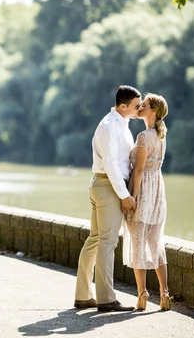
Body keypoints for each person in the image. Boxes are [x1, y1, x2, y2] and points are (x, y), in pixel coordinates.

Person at [74, 85, 142, 311]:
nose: (139, 109)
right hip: (108, 186)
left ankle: (83, 296)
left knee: (95, 239)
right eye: (135, 106)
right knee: (107, 242)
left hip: (104, 185)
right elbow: (112, 165)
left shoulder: (122, 125)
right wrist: (124, 195)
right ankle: (106, 299)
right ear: (122, 106)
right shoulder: (108, 126)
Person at [123, 93, 171, 311]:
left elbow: (140, 169)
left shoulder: (143, 137)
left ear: (153, 111)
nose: (140, 106)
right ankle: (164, 294)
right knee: (155, 242)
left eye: (145, 104)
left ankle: (142, 294)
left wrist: (131, 196)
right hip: (158, 192)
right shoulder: (161, 136)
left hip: (144, 192)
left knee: (138, 243)